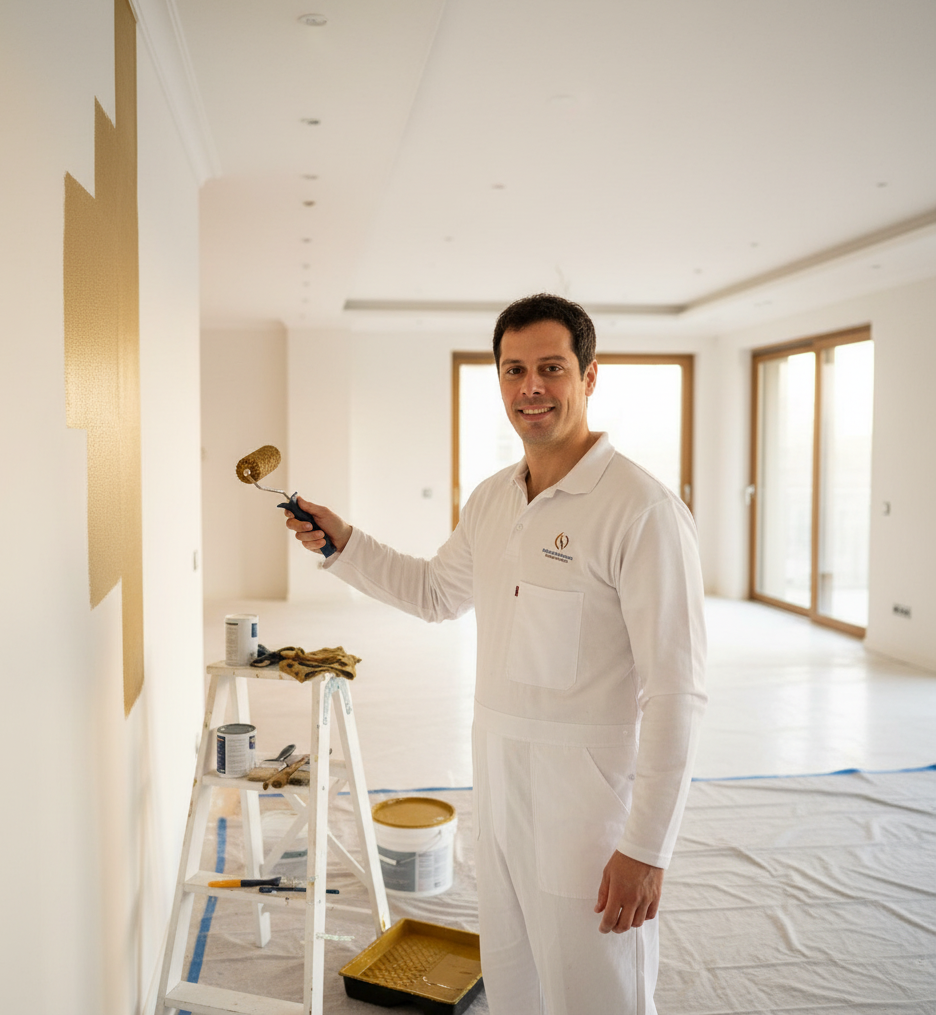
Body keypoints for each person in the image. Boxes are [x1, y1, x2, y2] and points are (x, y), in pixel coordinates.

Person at [284, 293, 707, 1014]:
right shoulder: (491, 501)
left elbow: (676, 692)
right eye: (514, 370)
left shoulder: (640, 509)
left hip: (589, 808)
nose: (530, 388)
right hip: (500, 788)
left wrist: (647, 847)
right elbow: (434, 593)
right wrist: (343, 542)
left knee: (598, 991)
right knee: (516, 984)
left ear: (590, 376)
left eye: (551, 368)